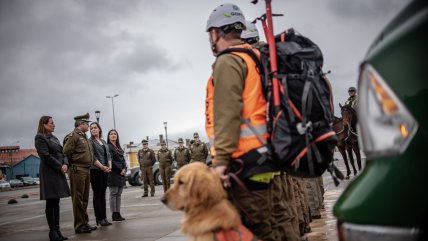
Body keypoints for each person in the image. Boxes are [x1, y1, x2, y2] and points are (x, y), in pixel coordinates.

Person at [205, 4, 283, 241]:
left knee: (254, 232)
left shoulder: (229, 61)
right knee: (266, 227)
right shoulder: (256, 57)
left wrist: (220, 164)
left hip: (243, 164)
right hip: (262, 159)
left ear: (216, 33)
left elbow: (228, 115)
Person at [35, 116, 71, 241]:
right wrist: (60, 166)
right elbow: (45, 156)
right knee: (51, 201)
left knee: (56, 202)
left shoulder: (54, 138)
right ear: (44, 125)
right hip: (49, 173)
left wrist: (66, 163)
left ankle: (58, 230)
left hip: (59, 171)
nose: (54, 125)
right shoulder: (40, 137)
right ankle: (52, 232)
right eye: (51, 123)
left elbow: (63, 153)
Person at [63, 113, 97, 234]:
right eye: (87, 124)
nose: (88, 126)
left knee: (84, 198)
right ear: (81, 124)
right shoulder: (73, 136)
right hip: (77, 170)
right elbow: (66, 153)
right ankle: (79, 225)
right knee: (77, 199)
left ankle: (85, 223)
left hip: (85, 169)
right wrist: (68, 167)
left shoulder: (84, 137)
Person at [89, 122, 112, 227]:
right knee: (97, 194)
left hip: (105, 171)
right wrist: (102, 167)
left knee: (103, 194)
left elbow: (108, 155)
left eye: (95, 128)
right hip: (95, 170)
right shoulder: (90, 142)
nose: (93, 129)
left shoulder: (103, 141)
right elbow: (92, 157)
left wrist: (109, 165)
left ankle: (104, 217)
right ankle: (99, 218)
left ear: (99, 129)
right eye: (91, 128)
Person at [107, 129, 127, 222]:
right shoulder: (109, 147)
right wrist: (120, 169)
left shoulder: (118, 147)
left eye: (115, 134)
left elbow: (123, 161)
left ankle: (118, 212)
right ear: (109, 136)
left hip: (121, 173)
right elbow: (111, 161)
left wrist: (124, 169)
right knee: (113, 193)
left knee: (118, 194)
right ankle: (114, 214)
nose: (113, 135)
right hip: (113, 173)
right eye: (111, 134)